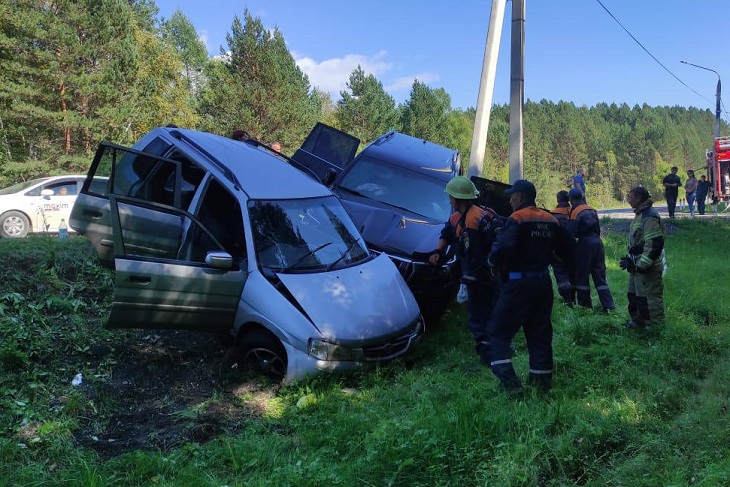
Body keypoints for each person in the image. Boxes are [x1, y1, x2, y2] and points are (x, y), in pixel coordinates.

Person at [485, 180, 574, 395]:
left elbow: (501, 249)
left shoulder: (518, 218)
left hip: (518, 284)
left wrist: (492, 264)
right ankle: (541, 384)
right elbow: (569, 246)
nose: (509, 199)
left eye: (512, 195)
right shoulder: (551, 219)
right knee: (539, 332)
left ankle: (511, 386)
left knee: (498, 332)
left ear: (522, 197)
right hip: (542, 282)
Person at [429, 176, 504, 365]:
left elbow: (474, 256)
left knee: (478, 314)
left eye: (451, 197)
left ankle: (488, 353)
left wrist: (466, 281)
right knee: (493, 310)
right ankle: (500, 344)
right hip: (493, 273)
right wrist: (437, 251)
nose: (449, 200)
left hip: (481, 276)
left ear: (457, 198)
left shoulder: (471, 221)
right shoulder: (477, 214)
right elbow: (447, 233)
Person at [619, 186, 666, 331]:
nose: (629, 199)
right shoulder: (640, 214)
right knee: (635, 296)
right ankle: (639, 322)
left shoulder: (649, 216)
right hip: (638, 265)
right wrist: (630, 260)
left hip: (647, 267)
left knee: (649, 298)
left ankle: (654, 328)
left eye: (631, 196)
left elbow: (654, 244)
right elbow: (638, 242)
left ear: (639, 198)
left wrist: (642, 265)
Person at [567, 188, 615, 312]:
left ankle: (585, 307)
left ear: (571, 199)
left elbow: (571, 232)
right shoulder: (592, 209)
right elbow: (598, 229)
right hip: (598, 243)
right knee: (600, 276)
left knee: (582, 276)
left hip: (585, 244)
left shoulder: (575, 210)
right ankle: (609, 306)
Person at [550, 190, 574, 306]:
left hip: (557, 249)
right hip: (574, 249)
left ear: (558, 199)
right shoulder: (574, 212)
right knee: (573, 272)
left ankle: (567, 299)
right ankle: (574, 297)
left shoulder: (552, 214)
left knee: (560, 273)